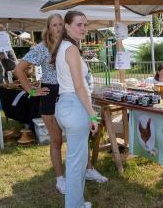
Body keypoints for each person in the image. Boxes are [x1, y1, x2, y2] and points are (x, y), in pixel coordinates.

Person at [51, 11, 106, 208]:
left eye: (85, 24)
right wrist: (93, 115)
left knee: (77, 162)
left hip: (67, 106)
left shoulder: (66, 47)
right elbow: (79, 86)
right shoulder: (71, 49)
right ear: (66, 26)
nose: (83, 28)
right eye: (78, 24)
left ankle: (76, 202)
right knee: (76, 164)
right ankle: (74, 205)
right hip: (74, 106)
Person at [14, 14, 66, 193]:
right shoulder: (42, 48)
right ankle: (60, 179)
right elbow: (18, 69)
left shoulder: (69, 45)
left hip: (68, 93)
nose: (58, 28)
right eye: (54, 25)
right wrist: (31, 90)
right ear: (49, 28)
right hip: (50, 93)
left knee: (77, 136)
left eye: (61, 24)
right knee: (57, 139)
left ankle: (88, 169)